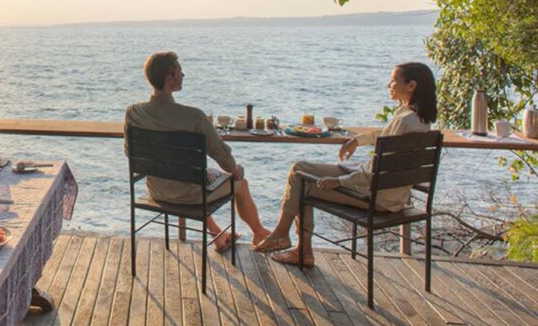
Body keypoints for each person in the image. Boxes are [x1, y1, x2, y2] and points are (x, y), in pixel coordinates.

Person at [254, 61, 438, 267]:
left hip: (377, 197)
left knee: (302, 183)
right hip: (395, 196)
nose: (389, 85)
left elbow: (378, 170)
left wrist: (340, 181)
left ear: (411, 85)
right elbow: (385, 138)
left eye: (394, 81)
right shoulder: (417, 119)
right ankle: (286, 238)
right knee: (299, 169)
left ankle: (294, 245)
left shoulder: (405, 120)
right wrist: (357, 140)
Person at [124, 51, 270, 251]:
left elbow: (128, 152)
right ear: (169, 79)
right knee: (240, 184)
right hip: (190, 195)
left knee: (193, 178)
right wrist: (236, 169)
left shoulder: (133, 112)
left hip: (156, 190)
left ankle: (218, 235)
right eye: (180, 71)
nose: (183, 75)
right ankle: (259, 233)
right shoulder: (194, 117)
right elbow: (223, 158)